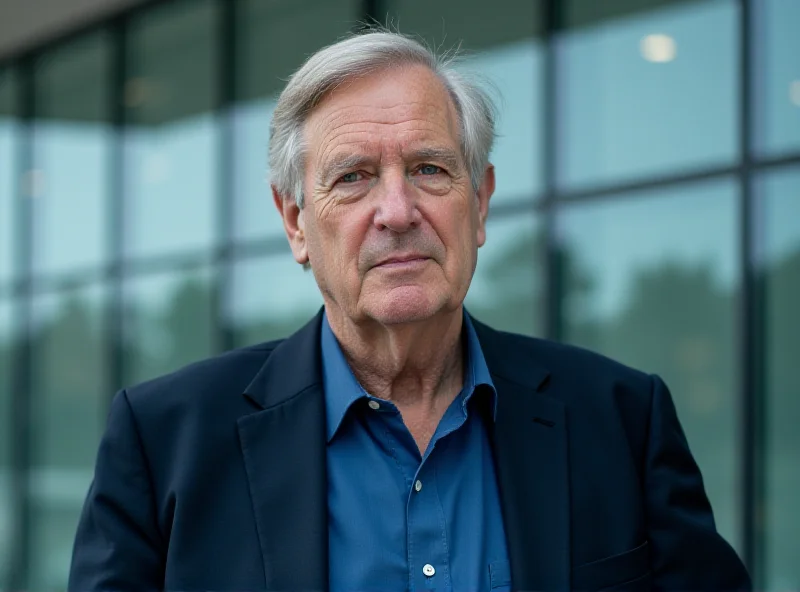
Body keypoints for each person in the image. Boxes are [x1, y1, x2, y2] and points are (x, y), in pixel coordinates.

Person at [69, 29, 751, 591]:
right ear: (296, 223)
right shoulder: (165, 443)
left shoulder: (621, 420)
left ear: (478, 203)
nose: (397, 212)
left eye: (429, 168)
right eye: (353, 177)